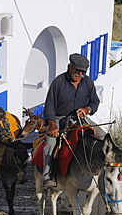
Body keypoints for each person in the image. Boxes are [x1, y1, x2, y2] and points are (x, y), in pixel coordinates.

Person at [43, 53, 101, 189]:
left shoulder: (88, 82)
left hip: (80, 119)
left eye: (83, 72)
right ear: (69, 67)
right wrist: (52, 125)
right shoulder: (58, 82)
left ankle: (101, 170)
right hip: (59, 119)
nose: (79, 74)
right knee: (50, 144)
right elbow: (49, 106)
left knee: (103, 136)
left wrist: (87, 109)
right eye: (77, 70)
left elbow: (95, 102)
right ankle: (47, 175)